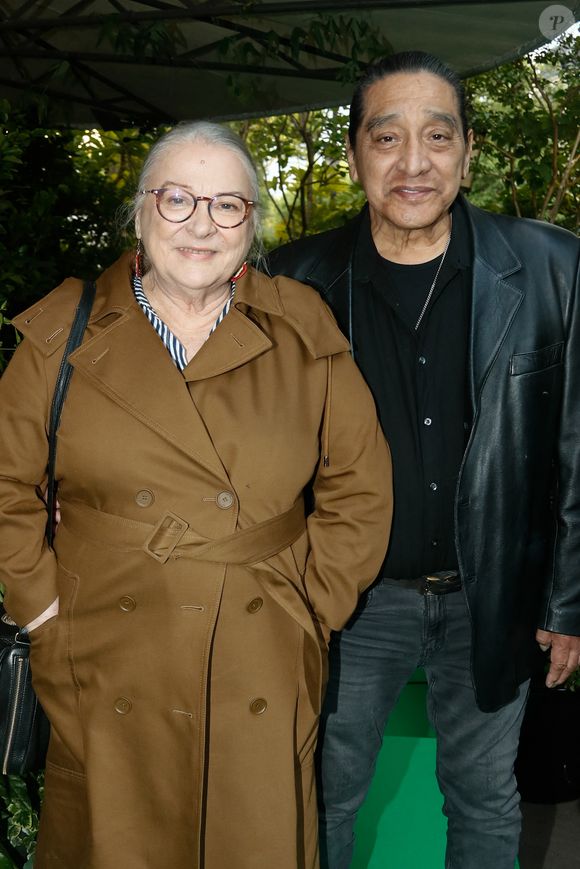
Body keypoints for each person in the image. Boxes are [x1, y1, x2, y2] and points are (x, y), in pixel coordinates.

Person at [0, 121, 393, 869]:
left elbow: (360, 481)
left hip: (262, 650)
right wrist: (43, 608)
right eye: (178, 199)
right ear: (141, 212)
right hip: (105, 652)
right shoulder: (63, 333)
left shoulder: (303, 328)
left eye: (227, 205)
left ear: (253, 223)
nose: (201, 225)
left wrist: (315, 605)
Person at [267, 51, 580, 869]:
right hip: (349, 602)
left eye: (437, 136)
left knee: (485, 801)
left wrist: (569, 601)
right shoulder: (293, 281)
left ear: (469, 150)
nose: (414, 163)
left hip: (496, 596)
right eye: (387, 137)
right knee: (319, 796)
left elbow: (577, 444)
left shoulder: (552, 267)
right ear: (354, 155)